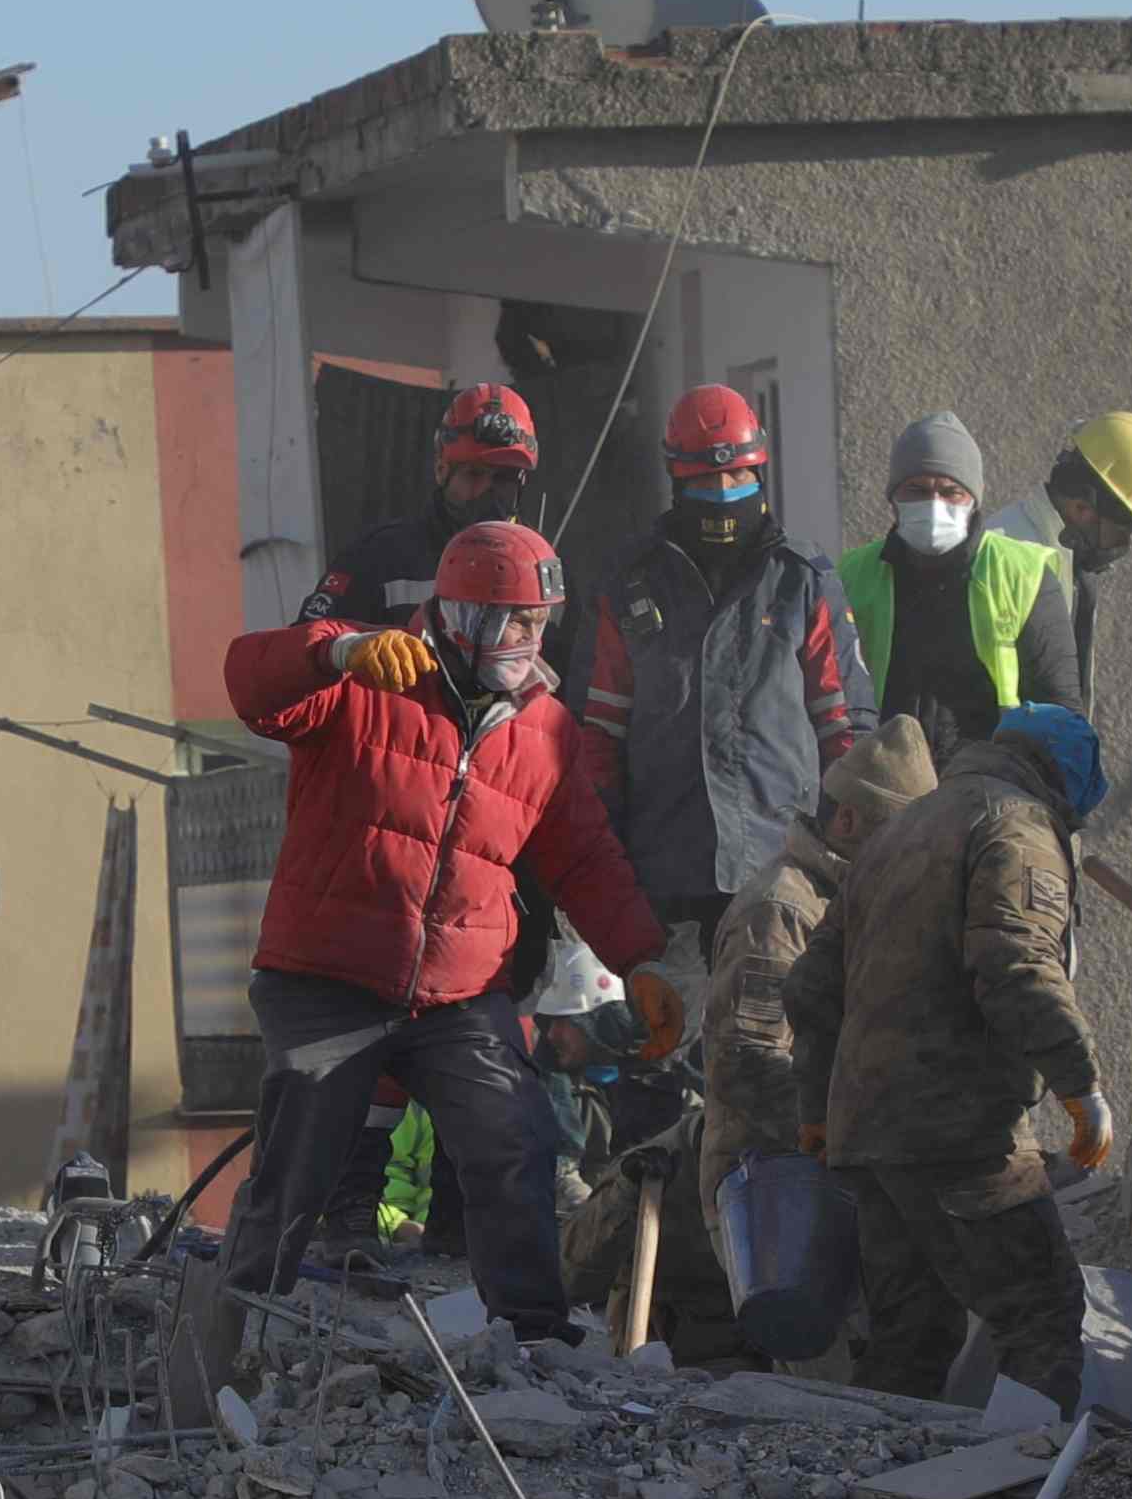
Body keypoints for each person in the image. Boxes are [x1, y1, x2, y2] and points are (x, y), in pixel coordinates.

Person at [223, 518, 674, 1340]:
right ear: (461, 613)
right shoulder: (368, 675)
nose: (530, 639)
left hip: (456, 995)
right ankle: (238, 1319)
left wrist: (642, 958)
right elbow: (250, 682)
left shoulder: (543, 728)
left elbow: (585, 856)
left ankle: (534, 1339)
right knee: (298, 1164)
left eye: (541, 623)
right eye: (515, 620)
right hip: (326, 977)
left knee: (516, 1140)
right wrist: (334, 650)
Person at [784, 701, 1111, 1407]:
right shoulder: (1016, 826)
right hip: (960, 1128)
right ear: (1065, 781)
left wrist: (816, 1106)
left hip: (867, 1132)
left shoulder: (897, 830)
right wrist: (1079, 1086)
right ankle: (1016, 1491)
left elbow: (811, 985)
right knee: (1039, 1310)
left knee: (910, 1334)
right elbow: (1015, 965)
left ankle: (875, 1488)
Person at [572, 383, 869, 961]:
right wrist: (601, 861)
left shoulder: (802, 580)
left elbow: (845, 726)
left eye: (739, 477)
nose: (725, 493)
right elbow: (596, 734)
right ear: (677, 481)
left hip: (784, 874)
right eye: (706, 482)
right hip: (662, 879)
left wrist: (846, 846)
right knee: (671, 1044)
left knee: (775, 1044)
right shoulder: (630, 581)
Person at [697, 719, 930, 1355]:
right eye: (902, 837)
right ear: (850, 823)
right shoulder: (784, 911)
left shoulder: (863, 899)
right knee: (837, 1390)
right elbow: (746, 1066)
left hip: (846, 1167)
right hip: (777, 1188)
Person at [839, 409, 1077, 754]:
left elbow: (1061, 711)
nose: (933, 505)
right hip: (887, 792)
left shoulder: (1024, 574)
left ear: (974, 498)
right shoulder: (853, 573)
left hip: (989, 790)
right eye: (916, 490)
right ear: (892, 497)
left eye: (951, 492)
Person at [298, 377, 542, 631]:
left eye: (505, 478)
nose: (489, 492)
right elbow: (307, 649)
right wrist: (353, 649)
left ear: (522, 482)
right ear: (441, 470)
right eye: (475, 474)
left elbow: (569, 667)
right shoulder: (376, 559)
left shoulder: (544, 572)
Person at [1035, 409, 1132, 701]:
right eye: (1124, 529)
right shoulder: (1012, 554)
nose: (1124, 543)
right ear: (1082, 509)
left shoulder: (1068, 564)